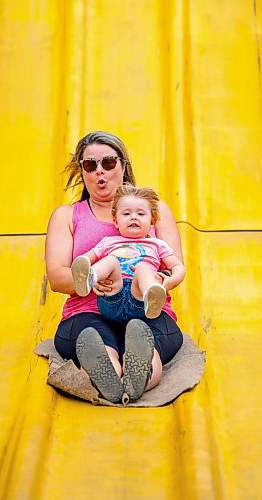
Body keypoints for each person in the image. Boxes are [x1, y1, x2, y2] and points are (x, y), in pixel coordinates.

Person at [45, 131, 185, 404]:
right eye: (90, 165)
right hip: (87, 311)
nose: (100, 171)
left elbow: (174, 266)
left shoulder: (154, 210)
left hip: (145, 310)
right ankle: (104, 372)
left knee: (147, 342)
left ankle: (138, 375)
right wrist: (88, 282)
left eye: (108, 163)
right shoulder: (67, 216)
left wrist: (155, 280)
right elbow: (56, 276)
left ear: (123, 165)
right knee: (95, 340)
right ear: (82, 171)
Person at [71, 184, 186, 323]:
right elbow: (84, 260)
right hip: (112, 296)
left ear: (152, 222)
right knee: (111, 261)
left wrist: (170, 282)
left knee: (143, 269)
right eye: (126, 214)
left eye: (141, 214)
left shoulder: (157, 244)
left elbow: (178, 267)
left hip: (139, 299)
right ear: (116, 221)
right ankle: (90, 278)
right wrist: (86, 269)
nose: (133, 217)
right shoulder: (108, 242)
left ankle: (151, 295)